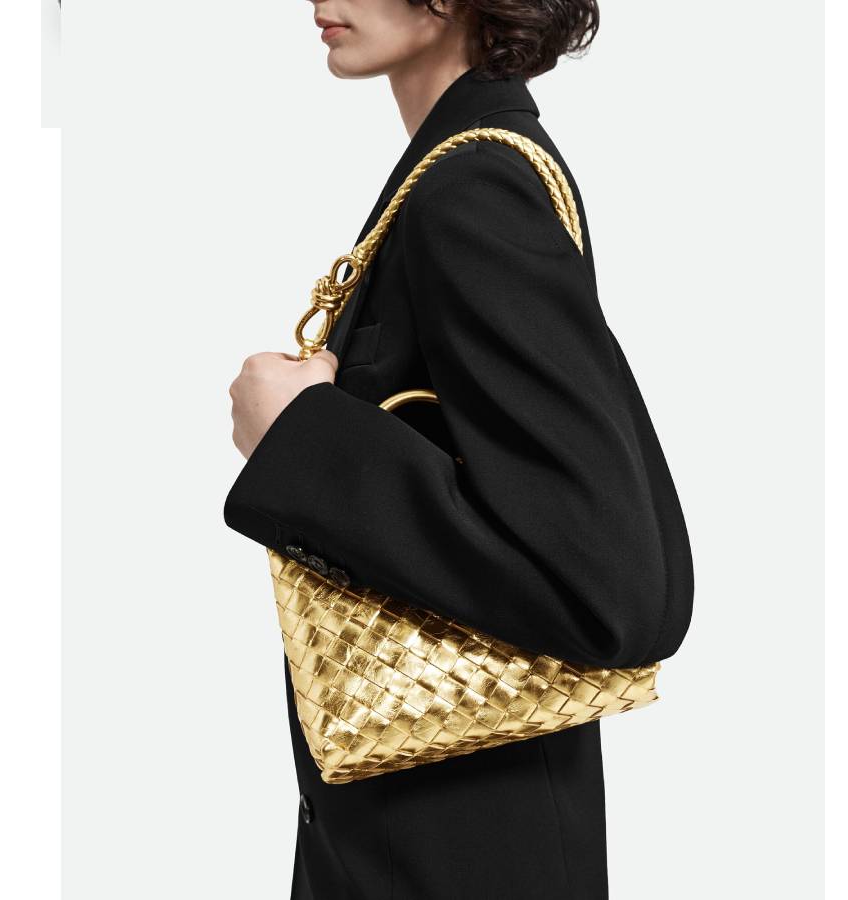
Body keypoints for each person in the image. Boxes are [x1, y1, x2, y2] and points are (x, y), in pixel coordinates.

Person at [224, 1, 694, 897]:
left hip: (460, 854)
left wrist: (300, 436)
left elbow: (610, 590)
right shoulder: (450, 173)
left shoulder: (474, 190)